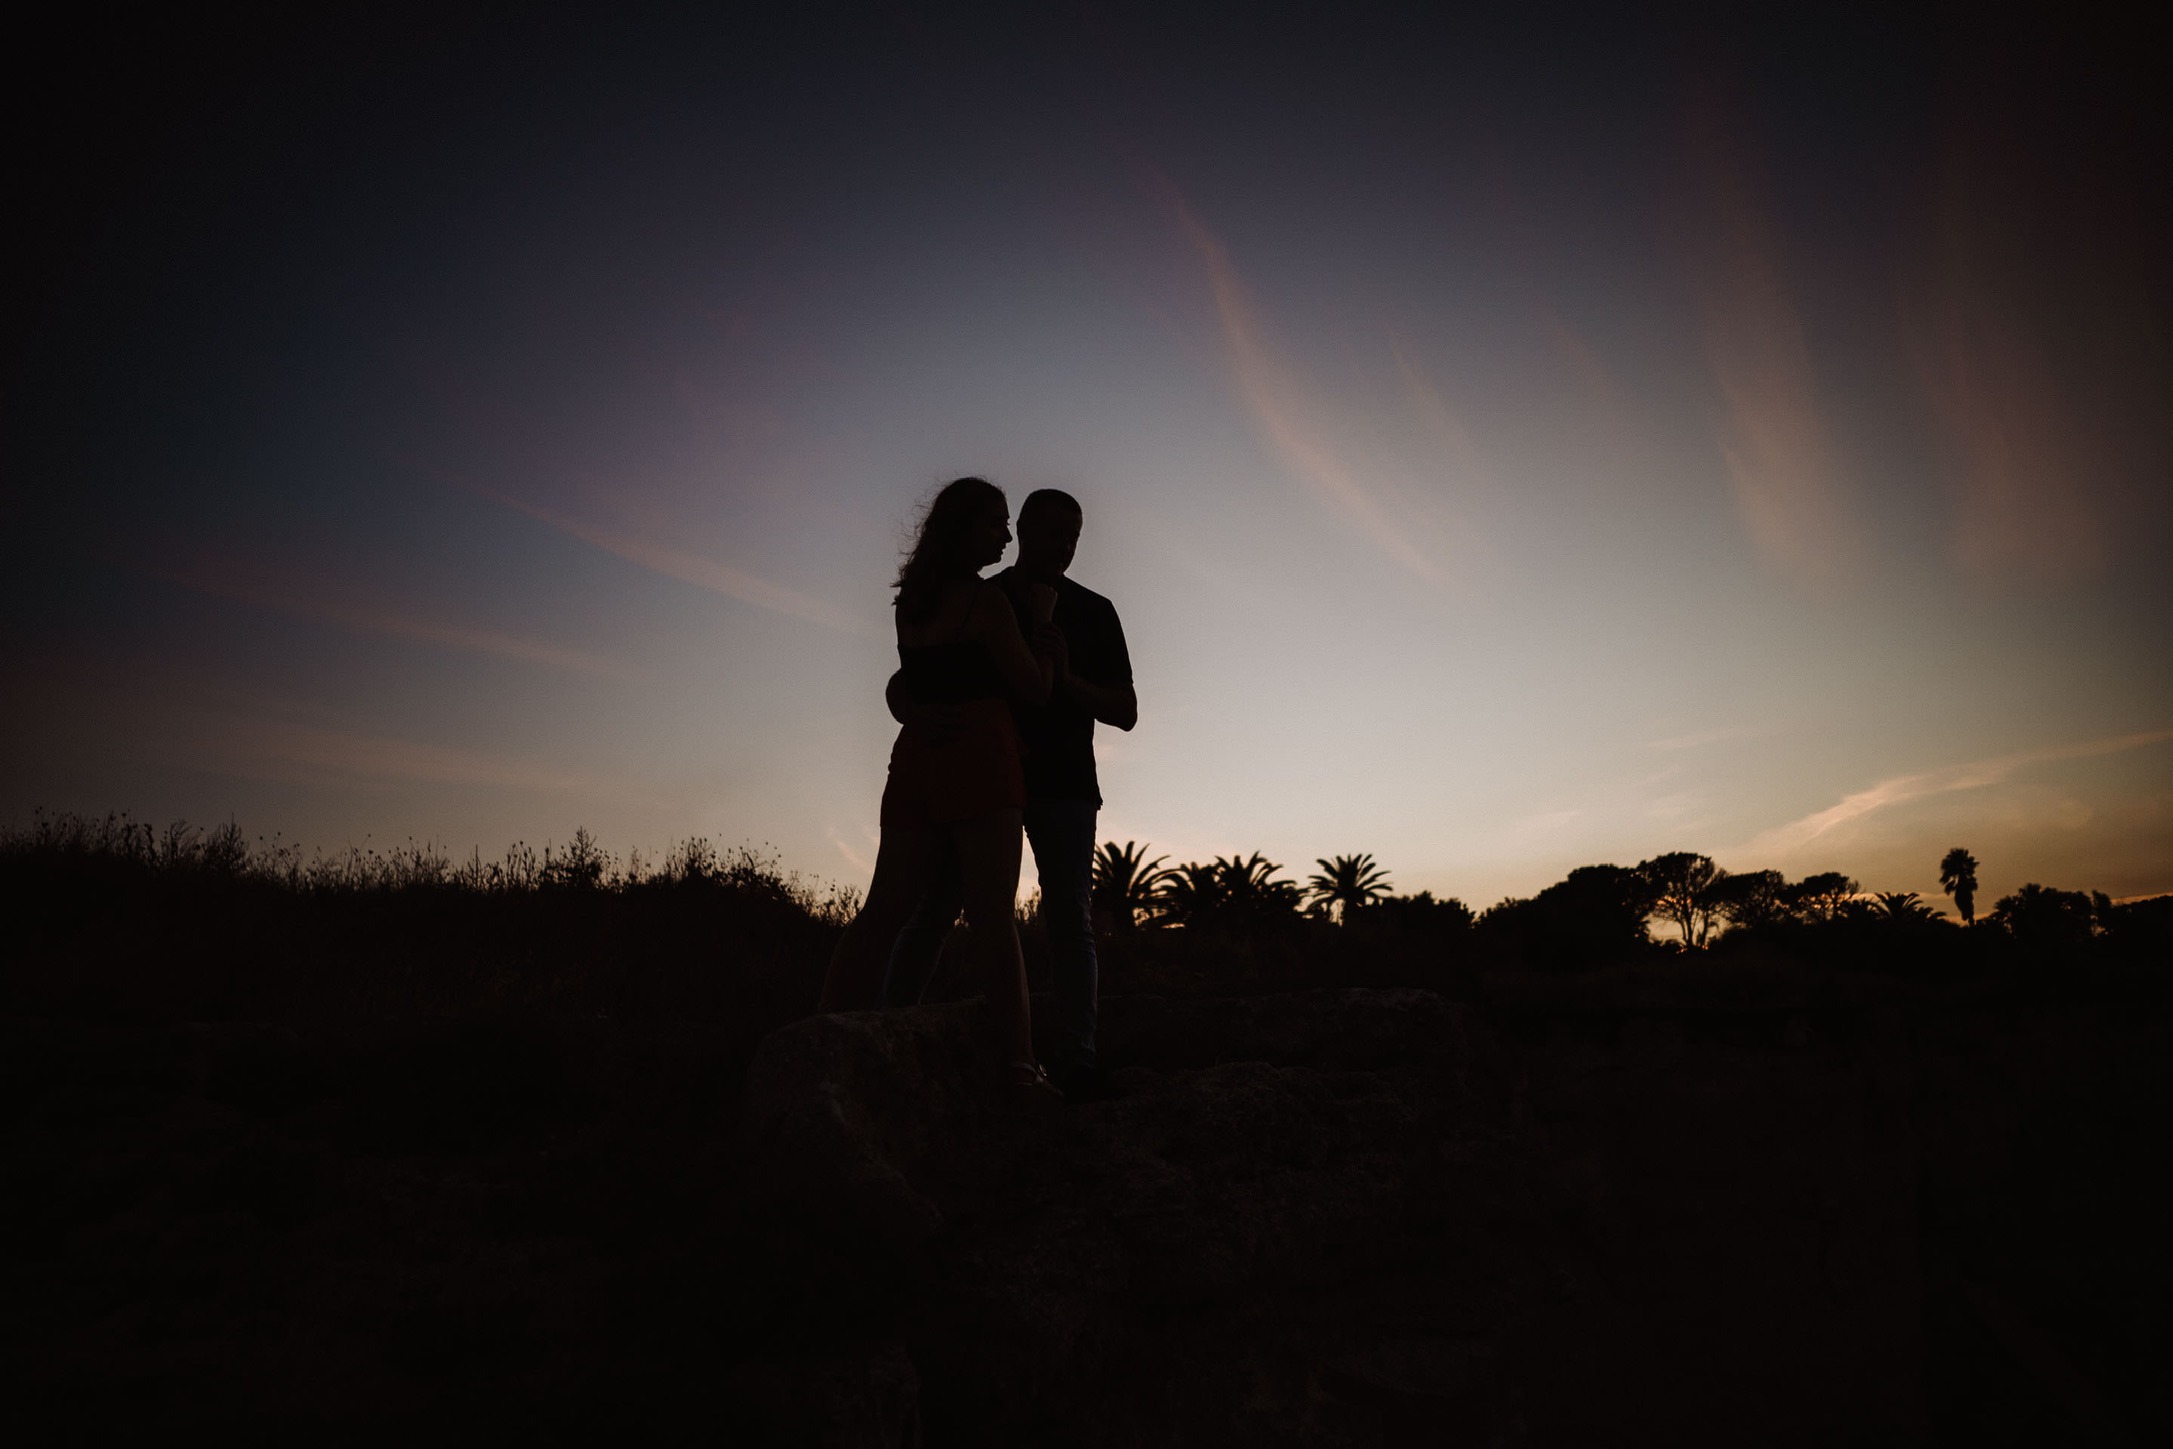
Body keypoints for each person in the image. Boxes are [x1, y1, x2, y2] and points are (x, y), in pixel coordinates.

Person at [878, 488, 1136, 1101]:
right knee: (934, 913)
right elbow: (902, 681)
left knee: (1069, 920)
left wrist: (1062, 674)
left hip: (1062, 785)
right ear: (1020, 530)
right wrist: (915, 713)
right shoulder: (979, 596)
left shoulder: (1095, 611)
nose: (1064, 548)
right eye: (1052, 535)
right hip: (978, 781)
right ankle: (887, 1033)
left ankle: (1076, 1059)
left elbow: (1124, 711)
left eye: (1073, 537)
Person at [818, 477, 1061, 1095]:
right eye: (994, 523)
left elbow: (909, 684)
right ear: (962, 528)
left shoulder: (912, 601)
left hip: (919, 758)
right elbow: (1034, 688)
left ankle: (825, 1038)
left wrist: (907, 712)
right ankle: (1020, 1065)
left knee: (882, 913)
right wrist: (1046, 638)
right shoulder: (987, 604)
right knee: (991, 917)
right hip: (980, 754)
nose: (1006, 535)